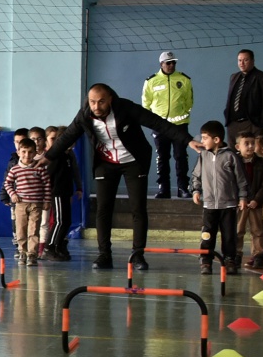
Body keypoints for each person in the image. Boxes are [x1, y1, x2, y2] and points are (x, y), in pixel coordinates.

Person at [43, 84, 196, 271]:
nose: (96, 106)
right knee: (103, 209)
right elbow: (67, 136)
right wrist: (47, 157)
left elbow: (157, 123)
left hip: (133, 161)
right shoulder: (85, 115)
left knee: (138, 208)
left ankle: (137, 255)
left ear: (110, 100)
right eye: (92, 102)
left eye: (101, 102)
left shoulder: (126, 108)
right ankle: (104, 255)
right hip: (106, 164)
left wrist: (187, 139)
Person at [190, 120, 248, 273]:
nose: (202, 141)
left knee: (229, 235)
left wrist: (242, 197)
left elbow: (241, 179)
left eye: (204, 138)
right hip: (209, 205)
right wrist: (196, 191)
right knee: (208, 234)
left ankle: (229, 260)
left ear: (216, 140)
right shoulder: (203, 156)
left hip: (228, 205)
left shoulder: (231, 156)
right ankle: (206, 261)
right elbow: (196, 175)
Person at [141, 51, 194, 198]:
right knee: (162, 158)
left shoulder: (184, 79)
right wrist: (154, 122)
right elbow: (146, 104)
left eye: (174, 62)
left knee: (181, 156)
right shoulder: (151, 81)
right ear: (161, 64)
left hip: (180, 125)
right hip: (160, 127)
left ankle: (183, 188)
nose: (171, 65)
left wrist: (183, 113)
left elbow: (189, 101)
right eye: (168, 63)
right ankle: (163, 189)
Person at [3, 137, 51, 265]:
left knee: (34, 229)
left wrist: (47, 201)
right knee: (21, 229)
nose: (27, 155)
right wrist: (12, 194)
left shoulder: (40, 168)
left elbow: (47, 185)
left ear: (35, 153)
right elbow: (7, 183)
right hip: (20, 204)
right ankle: (22, 252)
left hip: (36, 204)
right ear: (18, 152)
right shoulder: (15, 169)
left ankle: (32, 254)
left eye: (30, 152)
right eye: (23, 152)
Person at [233, 129, 263, 270]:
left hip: (256, 203)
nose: (250, 146)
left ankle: (258, 255)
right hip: (240, 203)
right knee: (238, 230)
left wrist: (257, 200)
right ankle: (236, 255)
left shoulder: (261, 162)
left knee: (258, 230)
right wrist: (239, 198)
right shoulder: (234, 162)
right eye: (246, 143)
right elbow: (232, 182)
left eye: (252, 143)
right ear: (238, 147)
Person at [42, 123, 77, 260]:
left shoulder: (68, 156)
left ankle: (59, 245)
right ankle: (49, 247)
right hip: (57, 193)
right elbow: (48, 175)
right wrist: (47, 194)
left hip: (65, 193)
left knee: (66, 221)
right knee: (59, 221)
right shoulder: (57, 156)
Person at [224, 49, 263, 138]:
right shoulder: (234, 77)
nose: (242, 63)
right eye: (239, 60)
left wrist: (261, 125)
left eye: (245, 60)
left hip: (252, 124)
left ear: (253, 61)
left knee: (252, 150)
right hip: (233, 124)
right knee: (233, 151)